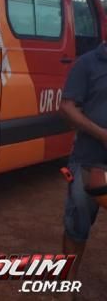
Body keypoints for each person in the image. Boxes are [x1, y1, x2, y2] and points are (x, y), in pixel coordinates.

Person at [59, 42, 107, 280]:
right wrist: (101, 134)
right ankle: (67, 281)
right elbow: (67, 107)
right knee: (77, 224)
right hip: (89, 160)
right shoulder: (87, 64)